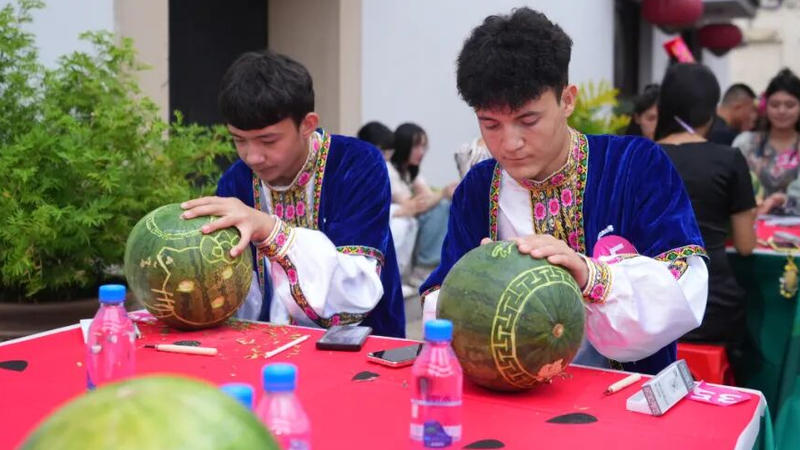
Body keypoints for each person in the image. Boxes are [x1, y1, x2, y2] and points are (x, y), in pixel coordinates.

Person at [420, 7, 708, 375]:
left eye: (528, 120)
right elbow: (441, 299)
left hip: (624, 391)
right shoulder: (478, 188)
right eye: (490, 124)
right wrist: (474, 288)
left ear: (567, 100)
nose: (509, 143)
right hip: (508, 390)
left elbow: (685, 287)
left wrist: (590, 275)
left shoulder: (634, 165)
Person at [180, 51, 405, 338]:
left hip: (360, 346)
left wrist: (269, 230)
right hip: (265, 346)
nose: (252, 156)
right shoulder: (236, 182)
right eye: (239, 140)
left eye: (268, 140)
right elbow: (235, 291)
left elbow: (356, 291)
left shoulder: (356, 164)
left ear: (307, 125)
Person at [655, 63, 756, 378]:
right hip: (712, 306)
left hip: (654, 305)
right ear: (711, 110)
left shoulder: (639, 155)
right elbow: (746, 244)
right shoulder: (729, 159)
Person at [388, 123, 456, 285]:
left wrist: (446, 194)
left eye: (424, 146)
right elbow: (411, 206)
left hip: (407, 222)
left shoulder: (411, 171)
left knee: (445, 206)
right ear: (403, 145)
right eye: (416, 146)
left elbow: (428, 196)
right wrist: (442, 193)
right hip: (394, 223)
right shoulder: (389, 170)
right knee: (440, 207)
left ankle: (433, 265)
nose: (421, 152)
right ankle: (423, 267)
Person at [358, 121, 419, 283]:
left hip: (383, 215)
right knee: (401, 224)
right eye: (382, 150)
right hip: (363, 224)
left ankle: (398, 278)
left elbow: (403, 199)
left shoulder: (388, 167)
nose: (386, 155)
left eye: (389, 151)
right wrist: (398, 211)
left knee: (409, 222)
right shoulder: (359, 167)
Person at [734, 69, 800, 214]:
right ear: (765, 106)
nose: (781, 111)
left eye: (790, 105)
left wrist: (784, 200)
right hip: (750, 222)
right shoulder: (745, 143)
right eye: (775, 105)